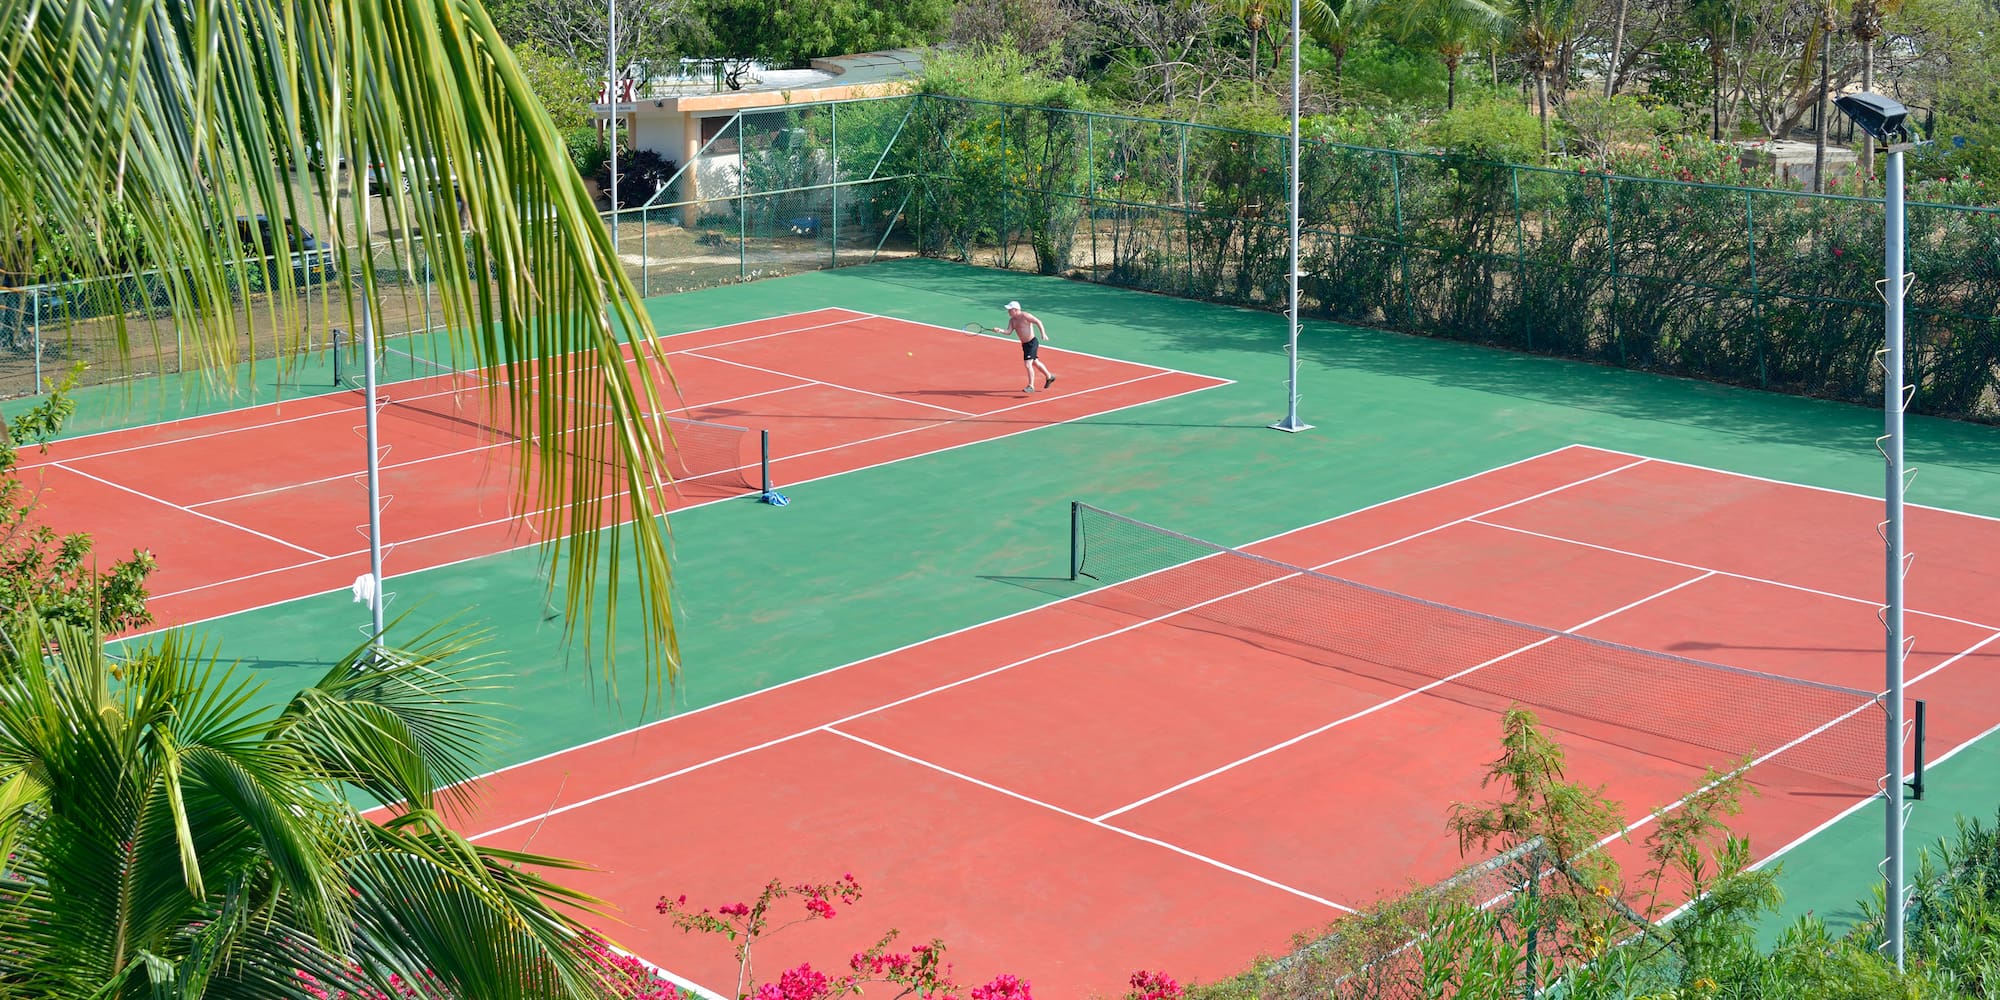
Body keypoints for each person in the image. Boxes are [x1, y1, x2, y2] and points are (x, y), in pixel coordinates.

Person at [1004, 301, 1055, 393]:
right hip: (1025, 345)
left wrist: (1043, 334)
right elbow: (1008, 332)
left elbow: (1038, 321)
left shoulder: (1025, 316)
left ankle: (1031, 386)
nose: (1008, 312)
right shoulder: (1012, 321)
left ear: (1015, 310)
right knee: (1035, 363)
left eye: (1009, 310)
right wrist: (999, 330)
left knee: (1028, 364)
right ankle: (1049, 376)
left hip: (1032, 343)